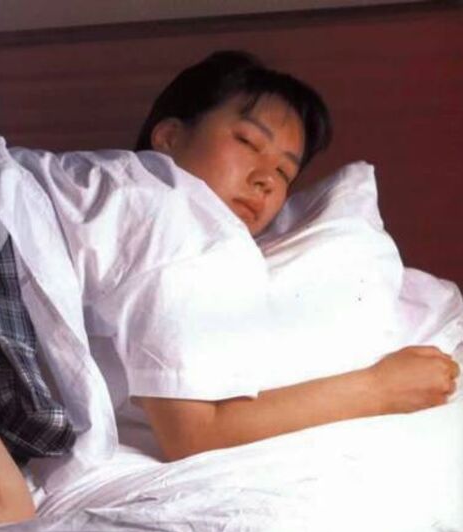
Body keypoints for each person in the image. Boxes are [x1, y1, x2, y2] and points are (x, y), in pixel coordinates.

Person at [128, 51, 460, 459]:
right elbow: (192, 436)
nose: (265, 180)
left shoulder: (204, 245)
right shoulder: (161, 217)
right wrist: (379, 388)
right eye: (248, 142)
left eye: (284, 171)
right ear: (168, 137)